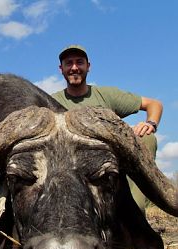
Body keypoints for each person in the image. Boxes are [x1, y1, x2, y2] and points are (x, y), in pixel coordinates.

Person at [51, 45, 163, 214]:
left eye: (79, 62)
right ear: (61, 69)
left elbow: (154, 104)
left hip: (109, 162)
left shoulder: (106, 95)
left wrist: (150, 124)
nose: (74, 67)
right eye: (69, 63)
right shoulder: (50, 102)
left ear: (88, 66)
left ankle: (135, 210)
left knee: (147, 138)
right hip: (73, 168)